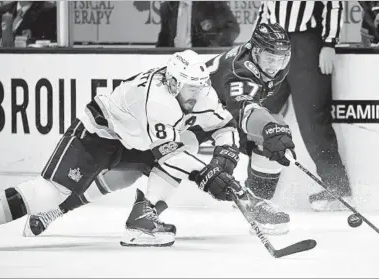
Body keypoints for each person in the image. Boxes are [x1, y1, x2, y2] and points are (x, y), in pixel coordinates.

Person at [0, 50, 279, 247]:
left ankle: (141, 220)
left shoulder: (200, 92)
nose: (197, 96)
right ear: (173, 84)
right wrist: (209, 176)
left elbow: (223, 126)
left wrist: (225, 157)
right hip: (98, 132)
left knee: (140, 172)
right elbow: (171, 152)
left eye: (200, 87)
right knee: (48, 192)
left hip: (137, 139)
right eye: (190, 89)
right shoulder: (158, 101)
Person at [22, 23, 297, 241]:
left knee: (263, 146)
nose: (274, 65)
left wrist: (233, 148)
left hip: (210, 119)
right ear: (254, 52)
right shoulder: (239, 73)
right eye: (269, 57)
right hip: (185, 117)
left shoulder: (260, 64)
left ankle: (255, 205)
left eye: (280, 58)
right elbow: (245, 108)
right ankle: (80, 211)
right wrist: (269, 126)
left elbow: (235, 115)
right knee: (135, 172)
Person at [254, 1, 352, 212]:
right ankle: (257, 188)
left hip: (307, 46)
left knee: (313, 119)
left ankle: (337, 186)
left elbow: (334, 5)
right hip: (273, 47)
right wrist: (255, 46)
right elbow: (264, 11)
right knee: (258, 117)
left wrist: (329, 43)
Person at [156, 1, 240, 47]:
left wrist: (213, 48)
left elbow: (233, 29)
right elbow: (164, 40)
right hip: (175, 61)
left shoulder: (213, 3)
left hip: (203, 60)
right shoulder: (167, 7)